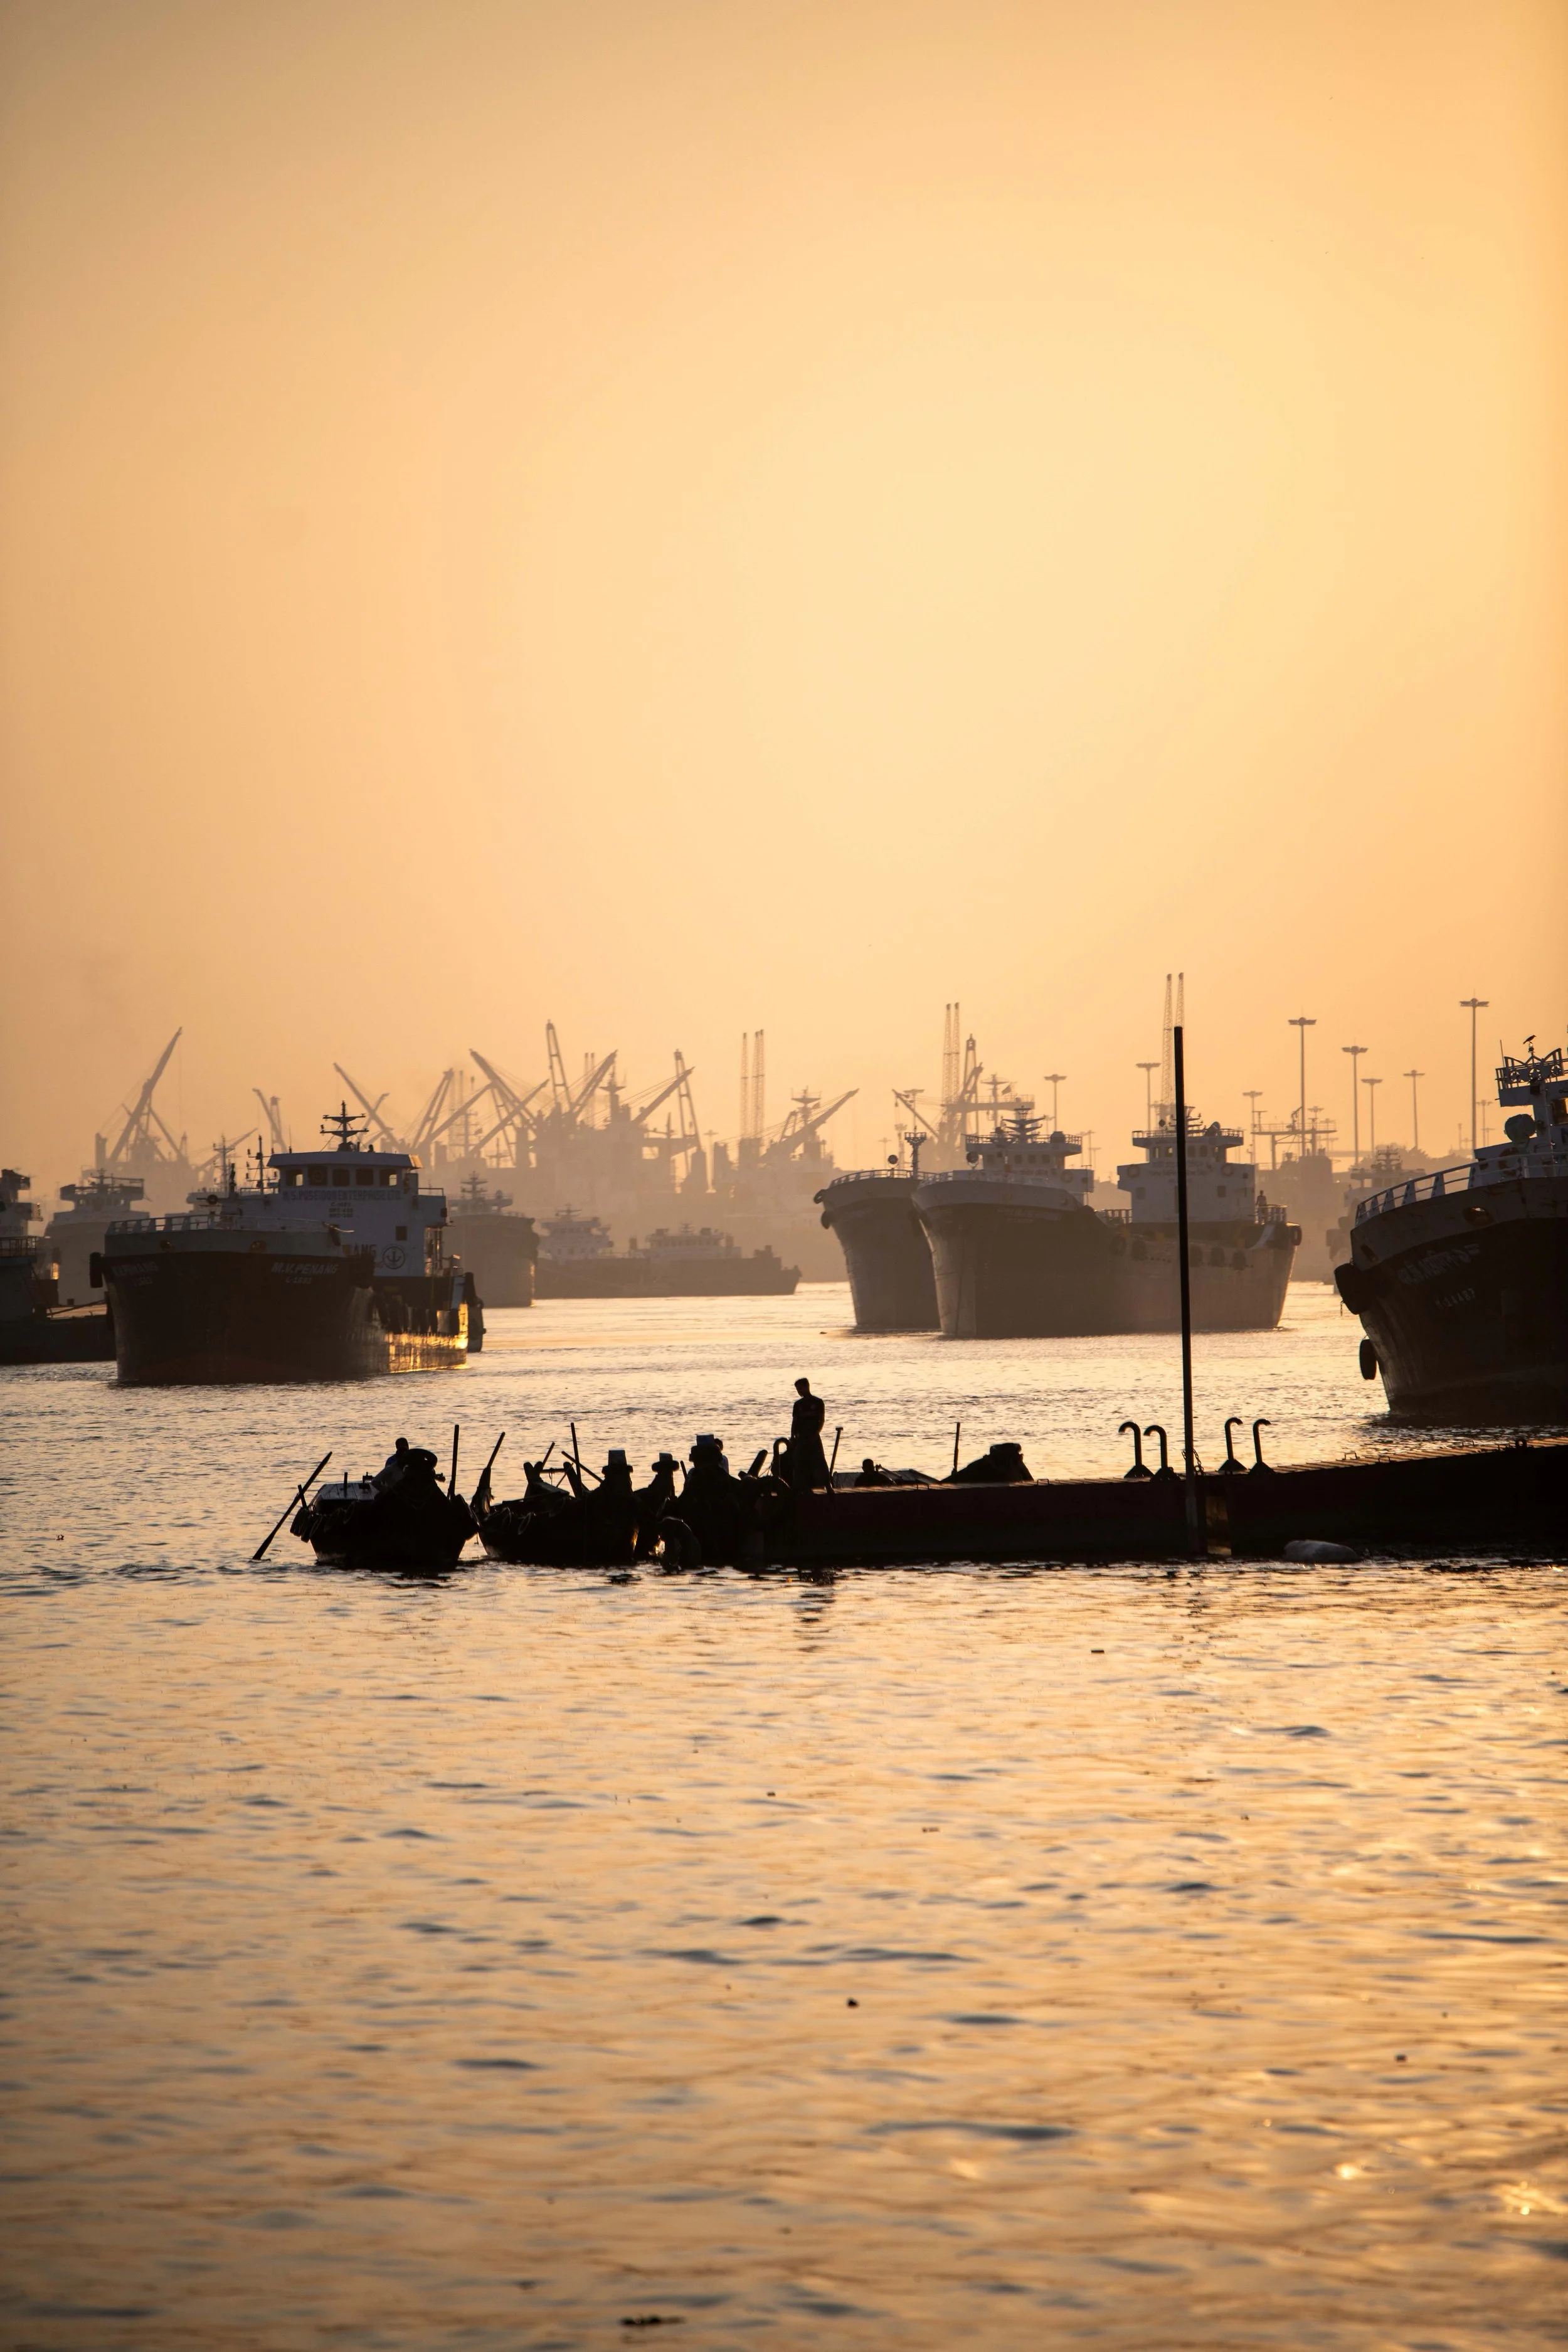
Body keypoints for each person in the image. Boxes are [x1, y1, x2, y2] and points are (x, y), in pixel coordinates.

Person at [789, 1378, 831, 1490]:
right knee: (800, 1463)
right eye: (797, 1389)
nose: (799, 1391)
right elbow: (795, 1421)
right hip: (801, 1437)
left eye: (800, 1388)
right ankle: (801, 1487)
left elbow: (822, 1420)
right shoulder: (798, 1404)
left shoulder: (818, 1402)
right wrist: (792, 1436)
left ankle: (828, 1485)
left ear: (807, 1387)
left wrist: (817, 1433)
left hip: (814, 1436)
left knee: (820, 1461)